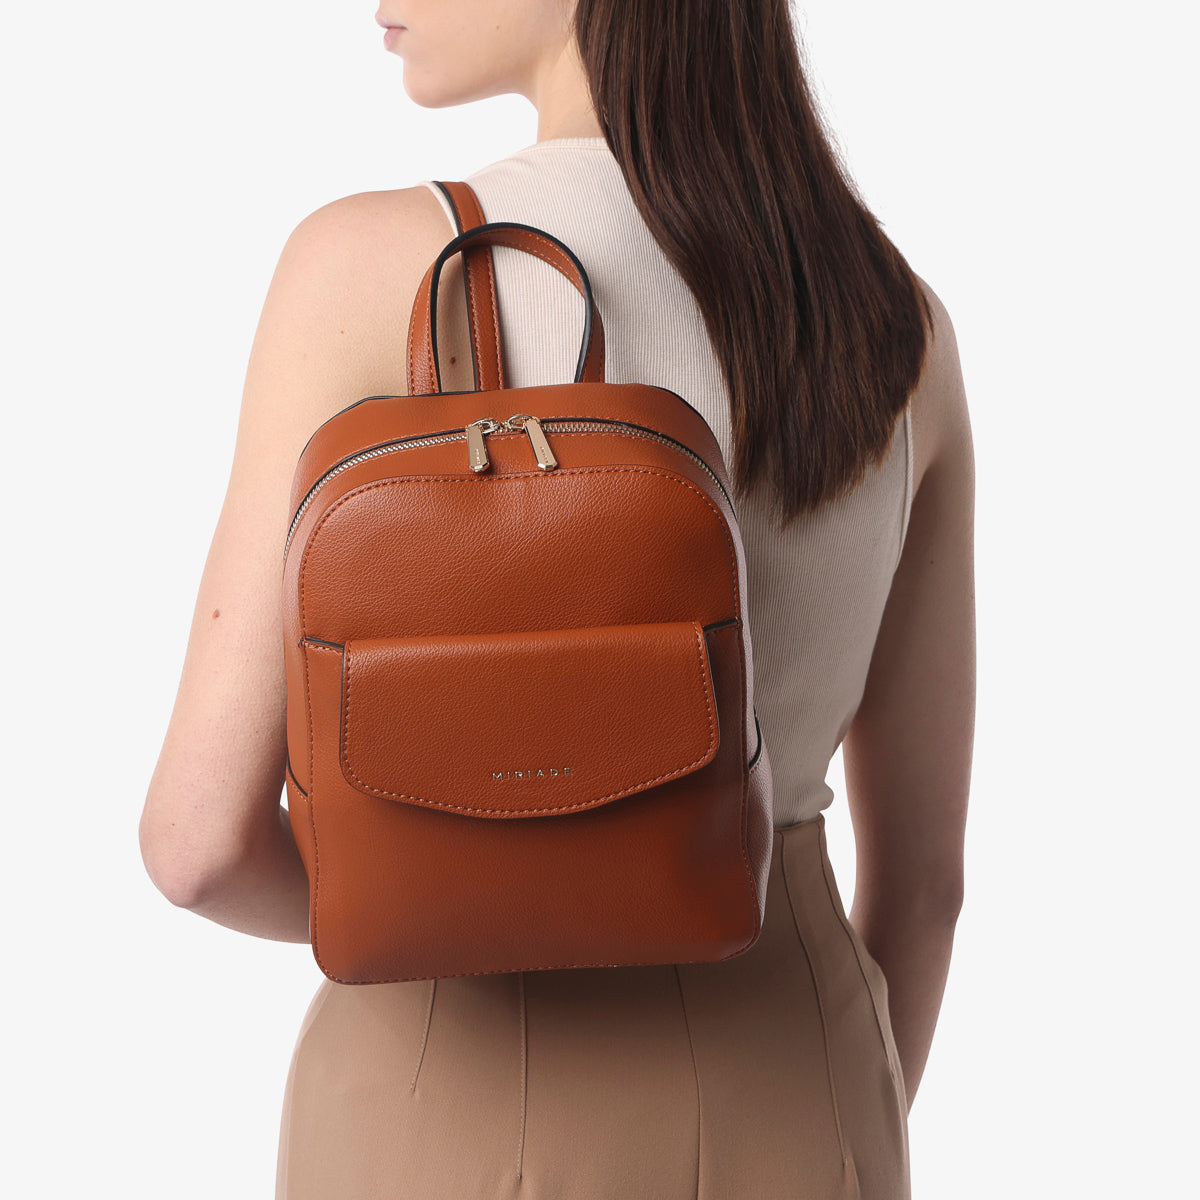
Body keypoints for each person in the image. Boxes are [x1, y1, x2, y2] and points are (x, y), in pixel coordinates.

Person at [139, 1, 975, 1196]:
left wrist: (457, 885)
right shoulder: (900, 326)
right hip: (800, 1077)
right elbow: (926, 888)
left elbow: (199, 846)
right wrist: (842, 1109)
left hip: (444, 1101)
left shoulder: (375, 268)